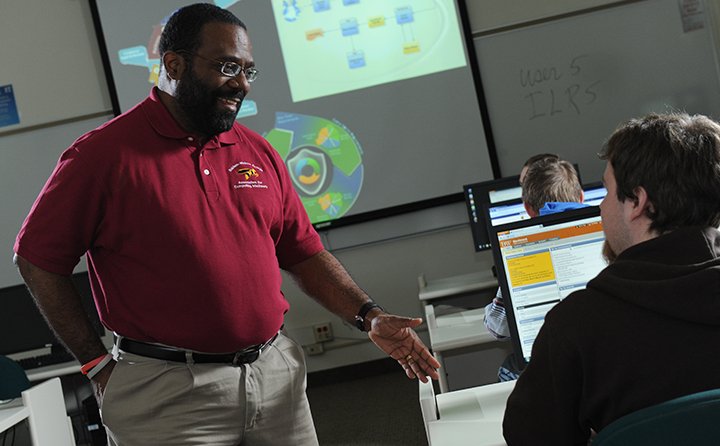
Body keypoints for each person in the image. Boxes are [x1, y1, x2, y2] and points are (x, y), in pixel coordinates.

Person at [12, 4, 439, 445]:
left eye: (249, 71)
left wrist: (367, 315)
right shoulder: (101, 157)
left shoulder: (257, 150)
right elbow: (37, 259)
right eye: (227, 67)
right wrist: (95, 364)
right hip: (165, 394)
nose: (241, 84)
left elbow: (302, 251)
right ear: (173, 64)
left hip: (275, 378)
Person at [503, 112, 720, 445]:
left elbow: (529, 438)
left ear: (637, 201)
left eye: (606, 191)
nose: (601, 207)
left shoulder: (576, 327)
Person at [484, 155, 586, 380]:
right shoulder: (612, 232)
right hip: (604, 356)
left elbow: (498, 328)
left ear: (528, 209)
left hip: (555, 367)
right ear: (581, 197)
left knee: (508, 368)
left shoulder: (520, 250)